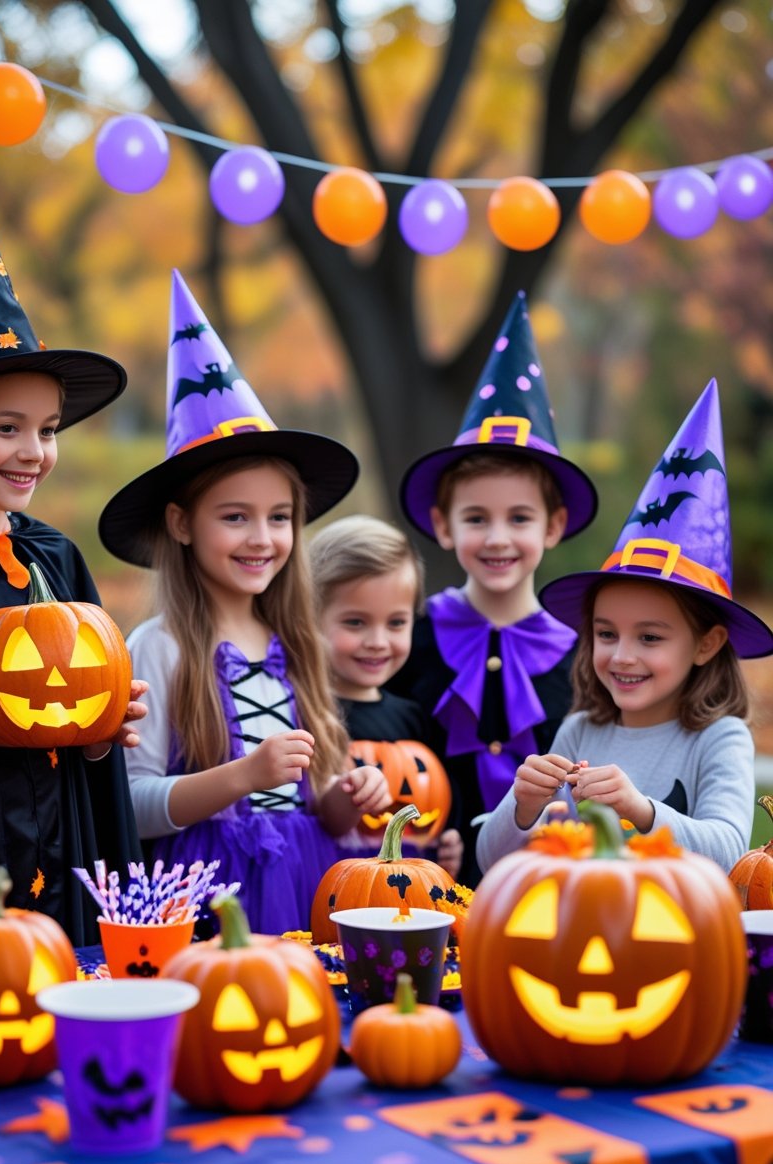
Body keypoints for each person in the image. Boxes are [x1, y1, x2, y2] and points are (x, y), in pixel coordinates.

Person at [98, 271, 390, 935]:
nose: (263, 538)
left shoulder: (299, 645)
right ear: (181, 524)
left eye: (280, 517)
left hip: (307, 882)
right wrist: (243, 775)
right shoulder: (159, 646)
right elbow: (132, 804)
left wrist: (349, 799)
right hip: (204, 896)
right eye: (235, 517)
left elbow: (317, 806)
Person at [0, 138, 146, 944]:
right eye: (7, 428)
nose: (35, 452)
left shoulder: (54, 559)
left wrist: (104, 737)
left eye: (49, 430)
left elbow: (87, 741)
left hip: (61, 856)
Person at [477, 379, 773, 875]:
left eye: (650, 637)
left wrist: (643, 810)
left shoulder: (718, 739)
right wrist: (522, 805)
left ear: (707, 643)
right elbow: (493, 863)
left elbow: (730, 855)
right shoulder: (579, 732)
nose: (621, 655)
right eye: (606, 633)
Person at [390, 292, 598, 885]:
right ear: (442, 524)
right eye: (476, 518)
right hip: (422, 884)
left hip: (550, 886)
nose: (497, 537)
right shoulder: (412, 633)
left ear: (554, 526)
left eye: (520, 519)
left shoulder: (581, 651)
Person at [308, 514, 462, 876]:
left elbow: (427, 813)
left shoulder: (415, 719)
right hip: (322, 893)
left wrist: (442, 852)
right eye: (355, 622)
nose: (377, 642)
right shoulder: (305, 713)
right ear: (310, 618)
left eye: (396, 623)